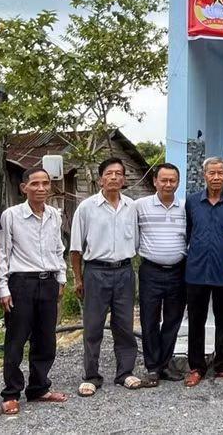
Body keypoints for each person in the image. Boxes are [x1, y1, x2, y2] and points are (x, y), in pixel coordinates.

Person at [0, 169, 68, 415]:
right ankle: (11, 393)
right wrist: (2, 288)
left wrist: (61, 278)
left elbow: (58, 248)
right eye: (35, 184)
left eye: (45, 183)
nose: (41, 188)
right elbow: (3, 253)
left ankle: (39, 388)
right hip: (21, 283)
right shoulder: (11, 216)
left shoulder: (54, 215)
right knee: (16, 341)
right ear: (24, 187)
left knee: (45, 339)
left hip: (48, 281)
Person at [70, 157, 141, 396]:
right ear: (100, 178)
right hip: (95, 272)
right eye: (109, 173)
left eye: (119, 173)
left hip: (124, 271)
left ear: (124, 179)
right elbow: (75, 248)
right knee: (93, 326)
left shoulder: (132, 207)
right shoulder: (87, 207)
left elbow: (138, 241)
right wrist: (78, 279)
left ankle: (125, 373)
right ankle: (91, 376)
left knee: (124, 325)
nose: (114, 177)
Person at [184, 157, 223, 387]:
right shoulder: (192, 203)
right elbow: (188, 233)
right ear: (204, 175)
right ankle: (196, 367)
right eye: (212, 173)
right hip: (196, 271)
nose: (216, 177)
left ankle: (222, 365)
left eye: (220, 173)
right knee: (196, 322)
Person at [135, 162, 187, 388]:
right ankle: (152, 367)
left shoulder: (186, 208)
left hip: (178, 271)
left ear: (178, 182)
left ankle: (165, 364)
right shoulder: (139, 206)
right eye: (163, 180)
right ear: (155, 181)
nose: (168, 184)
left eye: (172, 180)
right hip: (150, 271)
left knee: (173, 320)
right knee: (149, 320)